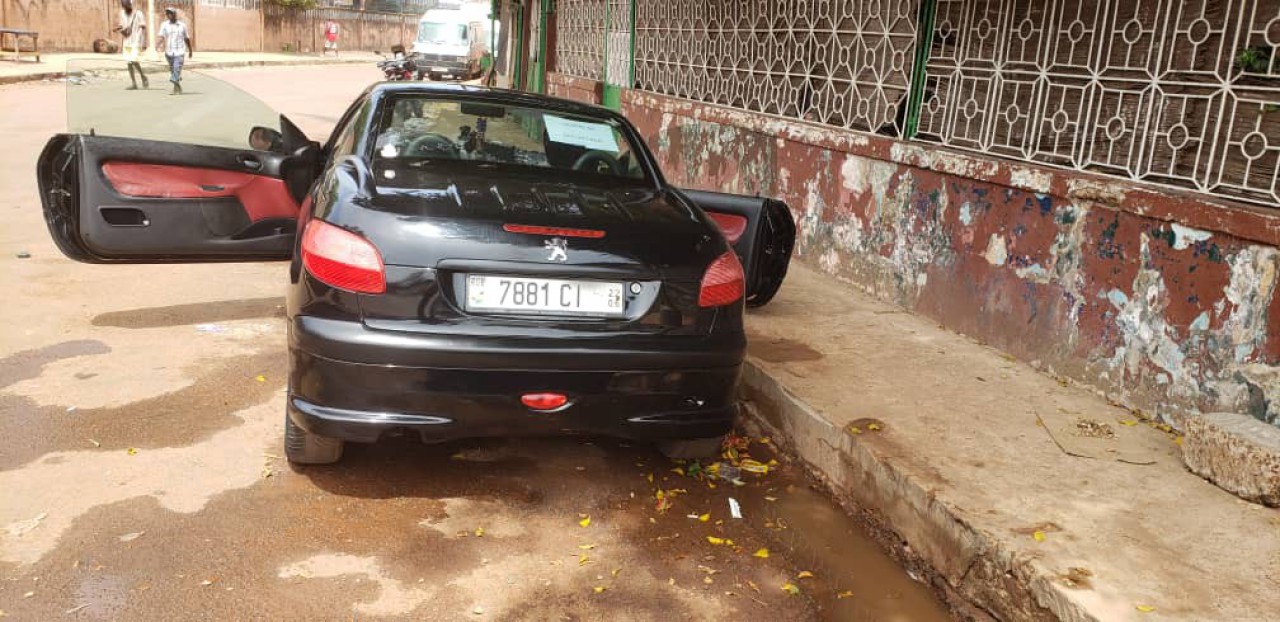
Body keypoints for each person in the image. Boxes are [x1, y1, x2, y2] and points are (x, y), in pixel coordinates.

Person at [156, 7, 192, 95]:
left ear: (174, 14)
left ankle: (175, 83)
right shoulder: (164, 25)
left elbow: (186, 38)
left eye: (171, 13)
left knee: (176, 68)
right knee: (173, 70)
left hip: (179, 51)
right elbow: (162, 36)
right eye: (167, 13)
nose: (169, 15)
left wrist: (190, 50)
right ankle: (177, 87)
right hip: (168, 52)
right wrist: (157, 45)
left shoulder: (182, 25)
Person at [114, 0, 148, 89]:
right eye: (123, 6)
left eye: (126, 5)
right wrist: (117, 28)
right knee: (128, 62)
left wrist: (144, 41)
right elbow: (122, 25)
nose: (124, 8)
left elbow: (143, 27)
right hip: (127, 41)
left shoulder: (138, 14)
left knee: (133, 60)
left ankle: (142, 76)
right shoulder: (122, 13)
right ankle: (134, 83)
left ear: (130, 4)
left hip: (136, 41)